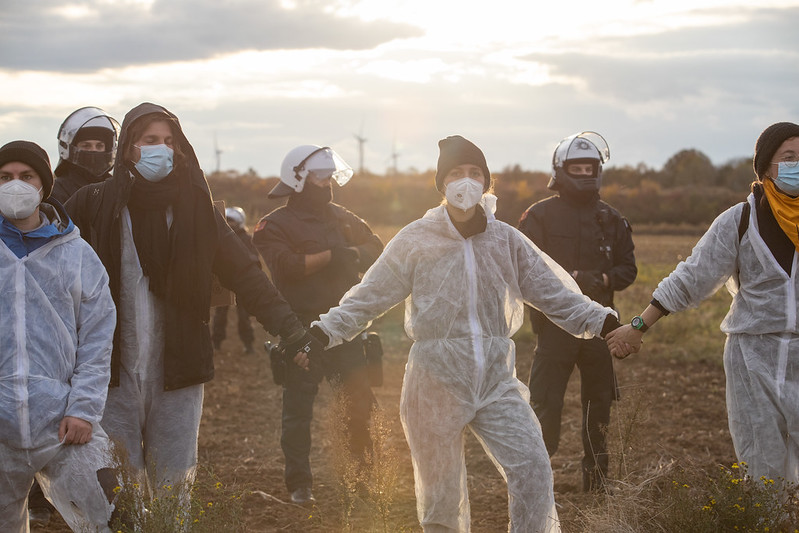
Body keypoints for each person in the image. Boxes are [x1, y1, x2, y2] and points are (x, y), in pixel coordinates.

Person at [298, 135, 620, 532]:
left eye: (474, 173)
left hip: (496, 381)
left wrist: (603, 321)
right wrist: (322, 332)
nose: (465, 181)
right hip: (434, 382)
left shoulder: (505, 240)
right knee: (440, 499)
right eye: (455, 173)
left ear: (486, 183)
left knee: (533, 468)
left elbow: (553, 292)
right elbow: (368, 298)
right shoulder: (415, 239)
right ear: (441, 184)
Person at [64, 102, 321, 508]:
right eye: (150, 140)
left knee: (173, 493)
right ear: (129, 147)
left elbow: (245, 273)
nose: (161, 149)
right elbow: (47, 269)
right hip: (109, 376)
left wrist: (290, 330)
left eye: (169, 141)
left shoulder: (195, 208)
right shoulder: (92, 203)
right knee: (117, 496)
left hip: (179, 373)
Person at [607, 121, 799, 485]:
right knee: (764, 472)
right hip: (752, 359)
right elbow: (692, 276)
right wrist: (637, 326)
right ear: (766, 167)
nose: (797, 164)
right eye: (788, 157)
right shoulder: (740, 221)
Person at [252, 145, 383, 504]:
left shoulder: (342, 216)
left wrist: (352, 255)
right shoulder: (273, 225)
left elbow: (376, 247)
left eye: (330, 177)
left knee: (357, 406)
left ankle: (362, 480)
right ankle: (299, 485)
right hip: (301, 331)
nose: (327, 184)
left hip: (346, 328)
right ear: (298, 180)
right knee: (298, 413)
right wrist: (331, 257)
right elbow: (286, 266)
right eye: (319, 178)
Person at [0, 141, 118, 533]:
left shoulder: (76, 254)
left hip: (63, 419)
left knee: (110, 514)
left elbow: (98, 335)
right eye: (5, 177)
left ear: (43, 186)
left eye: (26, 176)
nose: (15, 185)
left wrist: (84, 408)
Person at [517, 131, 637, 492]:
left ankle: (597, 484)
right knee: (545, 403)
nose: (584, 173)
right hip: (554, 328)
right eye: (577, 167)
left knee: (599, 404)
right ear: (560, 169)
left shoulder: (612, 218)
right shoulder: (537, 216)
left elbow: (627, 270)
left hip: (603, 327)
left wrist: (598, 276)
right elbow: (524, 271)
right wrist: (565, 282)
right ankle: (537, 482)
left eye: (591, 167)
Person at [211, 206, 257, 354]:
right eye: (227, 221)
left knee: (244, 316)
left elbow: (254, 260)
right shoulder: (220, 238)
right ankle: (216, 343)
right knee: (220, 315)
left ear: (239, 222)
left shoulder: (247, 239)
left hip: (242, 283)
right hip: (224, 282)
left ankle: (248, 345)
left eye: (233, 221)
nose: (230, 224)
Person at [51, 106, 120, 203]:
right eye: (86, 146)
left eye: (99, 146)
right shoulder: (56, 190)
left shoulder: (116, 187)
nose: (93, 150)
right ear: (72, 150)